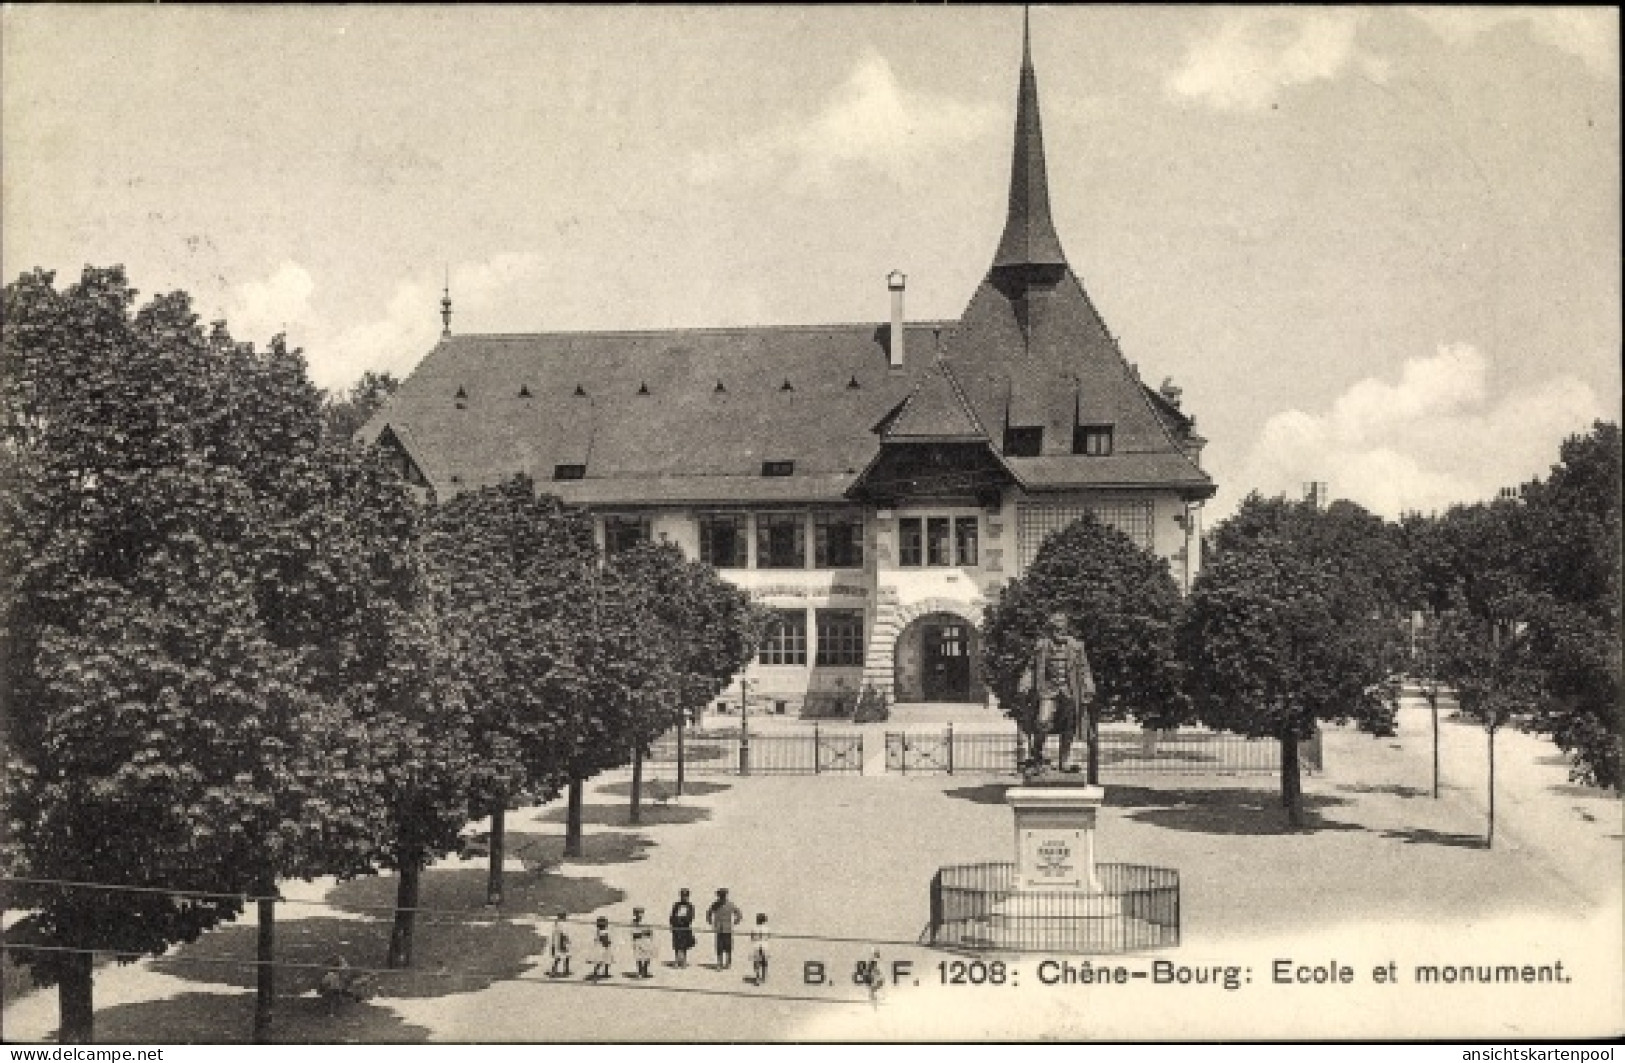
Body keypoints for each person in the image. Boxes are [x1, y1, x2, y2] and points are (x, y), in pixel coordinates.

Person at [1016, 611, 1097, 776]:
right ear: (1051, 630)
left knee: (1070, 725)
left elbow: (1084, 669)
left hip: (1069, 691)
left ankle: (1064, 760)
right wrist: (1025, 680)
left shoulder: (1076, 646)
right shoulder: (1042, 646)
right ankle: (1037, 756)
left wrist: (1089, 684)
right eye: (1057, 629)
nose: (1060, 632)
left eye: (1063, 629)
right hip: (1048, 690)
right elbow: (1031, 667)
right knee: (1042, 721)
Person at [706, 888, 742, 969]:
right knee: (719, 946)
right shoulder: (715, 905)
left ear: (726, 896)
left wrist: (736, 921)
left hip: (727, 929)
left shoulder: (730, 904)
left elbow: (738, 913)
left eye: (723, 896)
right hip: (718, 929)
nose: (721, 897)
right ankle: (719, 963)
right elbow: (709, 912)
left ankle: (728, 962)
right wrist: (710, 921)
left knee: (728, 946)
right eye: (720, 896)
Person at [669, 888, 696, 968]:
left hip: (685, 927)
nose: (684, 897)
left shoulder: (690, 906)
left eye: (685, 896)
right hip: (676, 927)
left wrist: (683, 920)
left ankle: (683, 961)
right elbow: (672, 916)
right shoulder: (676, 905)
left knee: (684, 945)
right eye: (682, 896)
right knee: (677, 944)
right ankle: (677, 961)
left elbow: (690, 917)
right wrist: (673, 924)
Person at [630, 907, 656, 979]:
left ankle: (645, 970)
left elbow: (650, 932)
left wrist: (645, 934)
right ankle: (640, 971)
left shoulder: (646, 922)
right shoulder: (633, 922)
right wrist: (642, 933)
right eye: (637, 913)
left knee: (647, 956)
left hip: (646, 940)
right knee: (639, 957)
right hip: (638, 941)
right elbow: (634, 933)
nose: (639, 915)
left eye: (640, 913)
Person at [586, 915, 614, 981]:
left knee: (604, 961)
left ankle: (603, 972)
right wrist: (608, 943)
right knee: (603, 961)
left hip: (599, 947)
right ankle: (600, 973)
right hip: (604, 948)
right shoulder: (603, 932)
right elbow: (604, 940)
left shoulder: (598, 931)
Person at [547, 911, 572, 977]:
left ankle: (560, 970)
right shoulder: (561, 924)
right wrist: (566, 941)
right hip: (561, 942)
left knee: (561, 957)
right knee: (563, 956)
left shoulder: (557, 924)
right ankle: (559, 970)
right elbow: (563, 934)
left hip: (557, 942)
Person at [749, 913, 770, 985]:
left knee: (757, 962)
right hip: (764, 945)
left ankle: (757, 977)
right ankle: (764, 977)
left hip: (756, 945)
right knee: (764, 962)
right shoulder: (766, 928)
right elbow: (768, 937)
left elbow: (752, 937)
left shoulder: (754, 928)